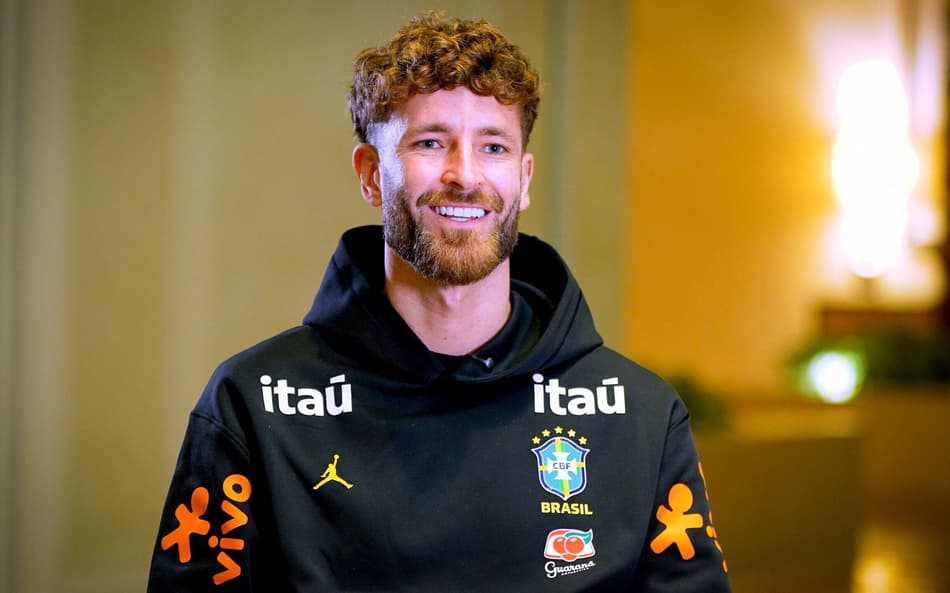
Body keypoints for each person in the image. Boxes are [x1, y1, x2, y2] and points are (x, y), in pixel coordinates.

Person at [148, 12, 731, 592]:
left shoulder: (640, 415)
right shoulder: (253, 405)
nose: (465, 174)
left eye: (493, 146)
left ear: (524, 178)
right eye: (431, 142)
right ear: (372, 174)